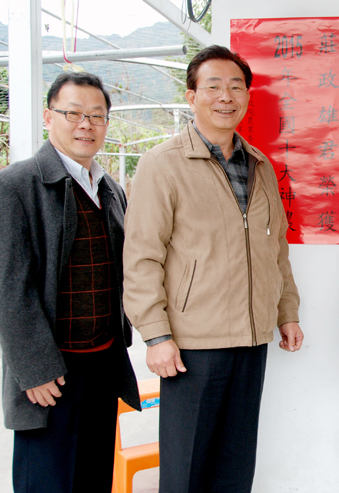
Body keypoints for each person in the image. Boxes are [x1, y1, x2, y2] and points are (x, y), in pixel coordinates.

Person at [122, 45, 303, 493]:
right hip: (191, 343)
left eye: (236, 86)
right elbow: (142, 255)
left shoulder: (259, 165)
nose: (226, 96)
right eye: (213, 86)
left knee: (235, 463)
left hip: (251, 337)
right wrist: (157, 335)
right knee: (187, 468)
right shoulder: (162, 164)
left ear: (247, 95)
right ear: (192, 96)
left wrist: (287, 312)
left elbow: (274, 247)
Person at [0, 72, 140, 493]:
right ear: (49, 117)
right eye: (73, 113)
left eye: (97, 115)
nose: (86, 124)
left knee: (93, 474)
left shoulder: (110, 189)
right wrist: (32, 369)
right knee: (47, 480)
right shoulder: (14, 186)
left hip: (103, 363)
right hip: (50, 372)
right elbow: (6, 288)